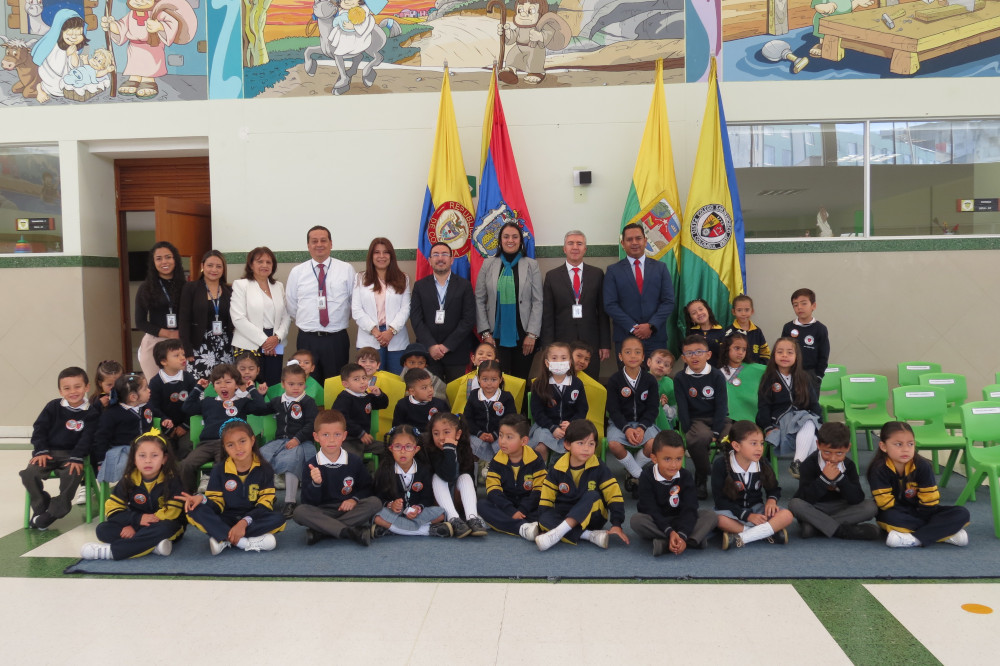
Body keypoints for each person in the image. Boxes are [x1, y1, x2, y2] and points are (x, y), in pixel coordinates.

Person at [179, 418, 286, 554]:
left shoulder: (265, 469)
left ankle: (222, 538)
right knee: (193, 510)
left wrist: (243, 523)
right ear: (224, 448)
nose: (238, 448)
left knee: (279, 519)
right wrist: (202, 499)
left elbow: (265, 505)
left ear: (252, 441)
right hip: (226, 517)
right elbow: (217, 504)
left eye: (242, 441)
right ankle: (244, 542)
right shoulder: (219, 470)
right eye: (230, 445)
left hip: (252, 519)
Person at [80, 431, 185, 560]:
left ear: (164, 459)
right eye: (142, 455)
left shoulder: (172, 480)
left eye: (154, 456)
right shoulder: (128, 480)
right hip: (137, 524)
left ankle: (111, 552)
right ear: (134, 459)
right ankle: (153, 546)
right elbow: (113, 510)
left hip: (164, 525)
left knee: (165, 528)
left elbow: (172, 513)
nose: (148, 461)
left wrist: (136, 527)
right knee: (102, 529)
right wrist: (136, 520)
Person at [868, 421, 970, 548]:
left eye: (910, 444)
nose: (905, 449)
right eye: (898, 444)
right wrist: (930, 523)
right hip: (896, 513)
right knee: (889, 517)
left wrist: (924, 516)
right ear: (883, 446)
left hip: (922, 511)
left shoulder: (923, 466)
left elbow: (930, 501)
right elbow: (885, 504)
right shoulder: (878, 469)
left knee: (962, 513)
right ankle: (945, 534)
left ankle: (914, 539)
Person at [22, 367, 99, 530]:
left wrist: (78, 456)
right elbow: (39, 429)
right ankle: (41, 506)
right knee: (29, 473)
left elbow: (88, 438)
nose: (73, 391)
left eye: (77, 387)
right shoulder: (53, 407)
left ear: (87, 387)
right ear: (60, 391)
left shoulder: (92, 413)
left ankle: (56, 511)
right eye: (67, 388)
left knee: (72, 474)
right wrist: (41, 450)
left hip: (73, 455)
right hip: (48, 454)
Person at [535, 419, 628, 551]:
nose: (586, 448)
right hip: (565, 514)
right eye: (580, 443)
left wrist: (617, 524)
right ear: (567, 445)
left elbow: (614, 496)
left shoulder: (599, 467)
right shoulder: (557, 468)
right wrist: (543, 523)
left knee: (592, 495)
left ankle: (558, 532)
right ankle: (588, 536)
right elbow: (546, 499)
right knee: (543, 518)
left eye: (591, 444)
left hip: (593, 518)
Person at [293, 408, 381, 547]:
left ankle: (322, 531)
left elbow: (367, 488)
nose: (332, 440)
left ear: (344, 436)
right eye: (326, 435)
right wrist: (315, 484)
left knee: (375, 502)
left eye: (337, 434)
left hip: (348, 510)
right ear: (316, 437)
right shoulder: (311, 464)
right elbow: (307, 501)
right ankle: (349, 531)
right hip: (322, 510)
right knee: (299, 512)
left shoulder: (354, 460)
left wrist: (354, 499)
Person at [179, 363, 267, 493]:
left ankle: (214, 488)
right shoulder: (208, 402)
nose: (223, 386)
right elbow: (187, 407)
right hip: (207, 444)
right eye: (218, 383)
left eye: (228, 382)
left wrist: (252, 389)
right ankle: (190, 494)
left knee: (221, 464)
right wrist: (198, 388)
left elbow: (261, 408)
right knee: (186, 464)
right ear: (213, 386)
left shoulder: (242, 402)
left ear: (236, 385)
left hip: (230, 444)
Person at [285, 226, 356, 384]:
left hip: (336, 338)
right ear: (308, 245)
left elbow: (353, 302)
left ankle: (333, 410)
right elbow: (291, 304)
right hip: (307, 338)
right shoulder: (297, 272)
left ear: (331, 244)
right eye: (314, 241)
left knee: (336, 383)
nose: (319, 244)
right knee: (307, 383)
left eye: (323, 240)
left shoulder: (346, 269)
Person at [630, 431, 718, 555]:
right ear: (654, 458)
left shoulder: (685, 476)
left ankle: (667, 544)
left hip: (681, 519)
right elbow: (650, 509)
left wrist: (681, 533)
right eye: (667, 459)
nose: (673, 465)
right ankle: (691, 540)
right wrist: (669, 531)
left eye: (678, 459)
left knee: (711, 516)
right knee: (636, 520)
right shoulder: (646, 476)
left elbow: (690, 508)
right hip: (657, 521)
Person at [475, 221, 543, 380]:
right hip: (495, 336)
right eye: (506, 237)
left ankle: (520, 407)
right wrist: (485, 333)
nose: (510, 240)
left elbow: (538, 301)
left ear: (520, 240)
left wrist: (532, 334)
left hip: (524, 336)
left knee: (521, 380)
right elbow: (479, 299)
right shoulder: (488, 264)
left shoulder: (531, 265)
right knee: (498, 379)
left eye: (514, 236)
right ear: (500, 240)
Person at [788, 422, 879, 540]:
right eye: (827, 452)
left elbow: (857, 498)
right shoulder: (808, 464)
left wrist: (840, 478)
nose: (833, 458)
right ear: (818, 445)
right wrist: (824, 479)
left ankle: (816, 527)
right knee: (794, 504)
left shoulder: (849, 465)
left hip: (841, 507)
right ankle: (842, 531)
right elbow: (805, 498)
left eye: (839, 453)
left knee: (870, 507)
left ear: (848, 448)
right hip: (816, 507)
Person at [713, 420, 793, 550]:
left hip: (757, 509)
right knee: (718, 519)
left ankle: (743, 537)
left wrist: (772, 500)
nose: (759, 448)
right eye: (753, 443)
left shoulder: (762, 463)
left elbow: (774, 488)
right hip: (732, 512)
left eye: (761, 443)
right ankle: (766, 532)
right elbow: (720, 501)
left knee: (787, 515)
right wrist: (747, 516)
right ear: (736, 446)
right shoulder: (720, 465)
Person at [540, 230, 610, 377]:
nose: (575, 247)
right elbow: (547, 315)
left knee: (590, 383)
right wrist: (548, 346)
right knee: (562, 383)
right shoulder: (552, 276)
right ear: (564, 248)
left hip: (590, 340)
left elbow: (602, 312)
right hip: (562, 341)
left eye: (579, 243)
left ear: (585, 249)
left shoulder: (597, 274)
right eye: (570, 243)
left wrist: (605, 344)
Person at [603, 223, 675, 358]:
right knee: (627, 378)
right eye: (629, 240)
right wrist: (633, 327)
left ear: (645, 241)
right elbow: (610, 304)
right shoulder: (613, 271)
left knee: (656, 378)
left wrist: (651, 326)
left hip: (655, 337)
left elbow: (668, 301)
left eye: (638, 238)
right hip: (626, 336)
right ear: (622, 243)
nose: (634, 243)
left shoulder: (661, 268)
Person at [410, 241, 477, 382]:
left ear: (452, 260)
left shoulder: (464, 286)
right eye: (436, 255)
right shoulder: (420, 286)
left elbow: (468, 319)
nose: (440, 258)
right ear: (429, 260)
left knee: (456, 398)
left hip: (456, 351)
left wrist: (446, 346)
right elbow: (416, 319)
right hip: (428, 353)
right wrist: (432, 346)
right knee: (431, 397)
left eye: (445, 254)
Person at [371, 425, 453, 538]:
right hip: (395, 514)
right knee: (377, 516)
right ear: (391, 448)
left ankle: (393, 530)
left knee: (441, 513)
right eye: (398, 446)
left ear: (416, 449)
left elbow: (427, 498)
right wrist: (391, 505)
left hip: (417, 515)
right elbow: (379, 496)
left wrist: (418, 508)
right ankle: (426, 531)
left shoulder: (424, 470)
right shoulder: (385, 469)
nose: (403, 451)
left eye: (408, 447)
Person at [259, 363, 319, 519]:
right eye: (291, 384)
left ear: (305, 384)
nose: (296, 388)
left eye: (300, 384)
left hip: (301, 441)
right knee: (261, 457)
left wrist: (297, 439)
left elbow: (311, 424)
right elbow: (259, 409)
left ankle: (290, 501)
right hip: (279, 442)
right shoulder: (278, 401)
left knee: (293, 460)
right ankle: (266, 497)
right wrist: (259, 395)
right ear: (283, 384)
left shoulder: (308, 402)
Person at [674, 334, 730, 499]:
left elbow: (721, 406)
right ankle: (702, 475)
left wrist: (717, 432)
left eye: (699, 351)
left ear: (708, 354)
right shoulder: (680, 378)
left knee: (732, 438)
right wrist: (686, 429)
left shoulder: (717, 375)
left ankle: (729, 479)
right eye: (689, 353)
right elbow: (682, 408)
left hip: (718, 419)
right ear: (684, 358)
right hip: (696, 420)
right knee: (698, 438)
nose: (694, 356)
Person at [757, 337, 822, 479]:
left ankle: (799, 466)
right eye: (780, 352)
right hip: (780, 421)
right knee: (809, 422)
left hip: (802, 418)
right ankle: (801, 467)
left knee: (811, 428)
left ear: (797, 357)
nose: (784, 355)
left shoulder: (804, 377)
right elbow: (763, 406)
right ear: (774, 355)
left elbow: (814, 404)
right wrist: (767, 427)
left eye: (789, 352)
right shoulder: (769, 378)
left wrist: (820, 424)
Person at [477, 414, 546, 539]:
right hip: (506, 505)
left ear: (524, 441)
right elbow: (493, 491)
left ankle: (506, 524)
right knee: (481, 505)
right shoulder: (497, 460)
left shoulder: (535, 459)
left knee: (549, 511)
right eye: (501, 435)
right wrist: (511, 511)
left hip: (529, 507)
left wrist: (523, 509)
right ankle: (523, 528)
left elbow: (539, 490)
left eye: (509, 437)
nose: (502, 441)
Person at [605, 335, 660, 492]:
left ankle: (632, 470)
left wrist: (642, 427)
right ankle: (638, 473)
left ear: (643, 357)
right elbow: (613, 410)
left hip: (645, 423)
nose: (633, 356)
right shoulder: (615, 380)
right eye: (628, 352)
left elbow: (652, 408)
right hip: (620, 424)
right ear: (621, 356)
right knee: (614, 445)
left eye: (637, 352)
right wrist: (626, 428)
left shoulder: (650, 380)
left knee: (652, 444)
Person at [231, 246, 289, 387]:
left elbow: (286, 316)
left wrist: (277, 337)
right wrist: (264, 341)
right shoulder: (241, 285)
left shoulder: (278, 286)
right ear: (251, 265)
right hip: (248, 341)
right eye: (260, 261)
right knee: (249, 385)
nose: (264, 265)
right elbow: (238, 318)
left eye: (268, 262)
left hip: (275, 342)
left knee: (273, 382)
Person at [352, 237, 411, 374]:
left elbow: (406, 308)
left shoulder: (403, 278)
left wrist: (391, 331)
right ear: (371, 256)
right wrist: (375, 331)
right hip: (370, 336)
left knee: (396, 382)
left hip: (396, 337)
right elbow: (356, 309)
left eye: (386, 252)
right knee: (369, 381)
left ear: (391, 255)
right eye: (377, 252)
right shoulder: (360, 278)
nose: (381, 256)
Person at [93, 373, 165, 486]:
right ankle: (127, 489)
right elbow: (101, 437)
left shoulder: (147, 406)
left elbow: (157, 412)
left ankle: (156, 488)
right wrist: (100, 460)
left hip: (146, 447)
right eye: (145, 389)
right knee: (125, 463)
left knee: (162, 457)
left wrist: (165, 420)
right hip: (123, 449)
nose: (149, 390)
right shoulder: (112, 414)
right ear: (133, 397)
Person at [425, 412, 488, 538]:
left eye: (446, 432)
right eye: (436, 433)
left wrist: (452, 450)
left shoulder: (464, 448)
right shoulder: (430, 450)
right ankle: (454, 519)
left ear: (458, 434)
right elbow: (447, 476)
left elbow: (469, 479)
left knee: (465, 477)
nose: (441, 437)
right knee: (438, 477)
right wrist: (449, 450)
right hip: (438, 502)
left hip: (458, 498)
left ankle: (472, 517)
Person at [179, 250, 233, 380]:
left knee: (225, 385)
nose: (214, 269)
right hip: (199, 346)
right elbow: (184, 320)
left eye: (218, 266)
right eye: (210, 265)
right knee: (201, 387)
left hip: (225, 346)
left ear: (223, 269)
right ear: (202, 266)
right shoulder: (191, 288)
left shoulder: (229, 290)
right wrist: (187, 349)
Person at [528, 342, 588, 460]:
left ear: (570, 362)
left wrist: (571, 424)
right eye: (554, 358)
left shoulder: (577, 384)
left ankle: (558, 471)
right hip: (545, 426)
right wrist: (552, 428)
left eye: (563, 358)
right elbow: (537, 412)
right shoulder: (539, 384)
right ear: (547, 362)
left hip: (571, 427)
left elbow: (582, 409)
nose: (559, 361)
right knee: (540, 447)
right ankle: (541, 475)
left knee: (573, 448)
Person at [134, 241, 184, 381]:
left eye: (168, 257)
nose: (164, 262)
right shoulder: (145, 287)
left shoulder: (186, 286)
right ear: (153, 262)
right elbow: (140, 322)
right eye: (159, 258)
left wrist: (181, 334)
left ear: (175, 259)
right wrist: (168, 333)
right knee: (157, 388)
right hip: (155, 343)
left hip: (181, 343)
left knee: (181, 388)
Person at [147, 339, 195, 459]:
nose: (182, 358)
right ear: (163, 361)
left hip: (186, 427)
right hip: (164, 428)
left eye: (183, 354)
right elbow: (153, 406)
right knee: (164, 448)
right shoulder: (155, 382)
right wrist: (167, 425)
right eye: (176, 355)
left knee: (186, 446)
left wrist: (185, 426)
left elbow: (195, 403)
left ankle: (184, 476)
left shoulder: (189, 378)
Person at [331, 362, 389, 458]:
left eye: (364, 378)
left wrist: (379, 394)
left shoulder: (366, 396)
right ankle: (358, 472)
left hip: (365, 440)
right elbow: (341, 419)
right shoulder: (344, 398)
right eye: (356, 379)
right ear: (346, 384)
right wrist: (360, 433)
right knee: (354, 458)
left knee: (389, 449)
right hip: (348, 440)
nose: (362, 382)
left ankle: (382, 472)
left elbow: (383, 404)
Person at [464, 360, 517, 462]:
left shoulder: (506, 397)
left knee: (506, 444)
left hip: (500, 435)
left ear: (500, 379)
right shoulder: (474, 395)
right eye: (485, 379)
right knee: (470, 445)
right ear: (478, 379)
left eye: (493, 379)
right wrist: (479, 433)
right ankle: (477, 472)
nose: (489, 384)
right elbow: (467, 418)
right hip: (477, 434)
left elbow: (511, 420)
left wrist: (496, 434)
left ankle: (497, 468)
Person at [780, 288, 830, 391]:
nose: (799, 307)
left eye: (803, 303)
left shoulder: (820, 329)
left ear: (813, 306)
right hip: (790, 373)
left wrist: (818, 376)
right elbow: (782, 350)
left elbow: (823, 355)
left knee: (810, 405)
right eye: (795, 305)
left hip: (811, 375)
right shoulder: (788, 327)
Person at [724, 295, 769, 364]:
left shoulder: (757, 331)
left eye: (747, 310)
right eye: (739, 310)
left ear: (752, 311)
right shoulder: (729, 332)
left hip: (754, 371)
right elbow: (723, 354)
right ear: (733, 312)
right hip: (734, 371)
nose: (743, 314)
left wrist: (759, 367)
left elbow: (765, 353)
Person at [646, 349, 677, 431]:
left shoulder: (670, 385)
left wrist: (664, 406)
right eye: (658, 362)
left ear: (669, 371)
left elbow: (674, 412)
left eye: (666, 365)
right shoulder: (640, 380)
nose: (661, 366)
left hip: (664, 422)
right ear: (649, 362)